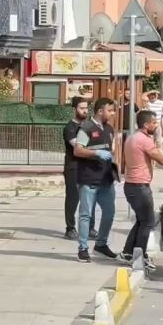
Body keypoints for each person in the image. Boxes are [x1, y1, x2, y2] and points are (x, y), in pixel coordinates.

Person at [122, 110, 163, 270]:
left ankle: (128, 252)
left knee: (141, 220)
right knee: (148, 222)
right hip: (139, 187)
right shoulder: (144, 140)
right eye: (154, 122)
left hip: (132, 185)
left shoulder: (132, 138)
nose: (156, 125)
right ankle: (140, 256)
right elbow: (161, 160)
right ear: (146, 124)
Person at [73, 98, 120, 263]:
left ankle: (101, 244)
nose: (113, 113)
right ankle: (83, 248)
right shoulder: (86, 128)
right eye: (110, 110)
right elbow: (78, 151)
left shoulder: (109, 129)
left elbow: (111, 150)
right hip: (88, 179)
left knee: (109, 213)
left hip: (106, 180)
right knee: (86, 215)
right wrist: (96, 153)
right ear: (101, 111)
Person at [62, 97, 89, 240]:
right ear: (74, 110)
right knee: (73, 198)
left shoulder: (89, 126)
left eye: (86, 108)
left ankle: (89, 228)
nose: (85, 110)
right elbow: (79, 147)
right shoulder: (70, 128)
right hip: (73, 167)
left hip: (87, 168)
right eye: (81, 108)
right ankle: (70, 228)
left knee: (89, 198)